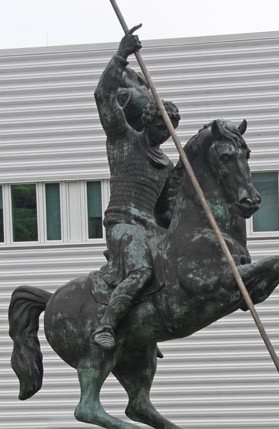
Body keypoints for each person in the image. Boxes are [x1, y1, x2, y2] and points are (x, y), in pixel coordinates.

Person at [91, 27, 182, 350]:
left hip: (149, 228)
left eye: (169, 131)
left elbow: (165, 213)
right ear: (147, 119)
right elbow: (102, 96)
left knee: (178, 268)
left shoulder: (167, 165)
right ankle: (106, 324)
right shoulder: (123, 140)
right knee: (142, 270)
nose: (163, 134)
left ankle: (146, 321)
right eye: (160, 126)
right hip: (122, 224)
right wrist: (121, 55)